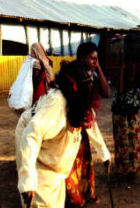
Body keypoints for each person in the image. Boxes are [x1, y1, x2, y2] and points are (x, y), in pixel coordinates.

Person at [15, 60, 111, 208]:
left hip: (54, 156)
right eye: (88, 84)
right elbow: (31, 134)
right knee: (41, 200)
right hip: (33, 140)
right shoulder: (57, 103)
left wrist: (104, 154)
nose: (92, 87)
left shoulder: (79, 100)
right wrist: (28, 180)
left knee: (57, 196)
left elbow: (91, 125)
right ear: (75, 86)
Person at [65, 42, 111, 206]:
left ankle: (87, 191)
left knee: (85, 160)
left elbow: (106, 93)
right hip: (69, 124)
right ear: (81, 58)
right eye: (92, 58)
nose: (94, 61)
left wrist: (98, 68)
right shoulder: (69, 74)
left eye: (96, 59)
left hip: (85, 125)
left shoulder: (92, 75)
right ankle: (72, 196)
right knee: (69, 160)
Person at [111, 54, 140, 184]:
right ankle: (121, 169)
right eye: (131, 60)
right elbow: (120, 90)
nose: (134, 63)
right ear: (126, 61)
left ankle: (133, 171)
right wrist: (122, 68)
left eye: (136, 61)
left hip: (133, 112)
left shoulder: (139, 74)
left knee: (133, 142)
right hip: (119, 112)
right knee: (121, 141)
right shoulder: (120, 73)